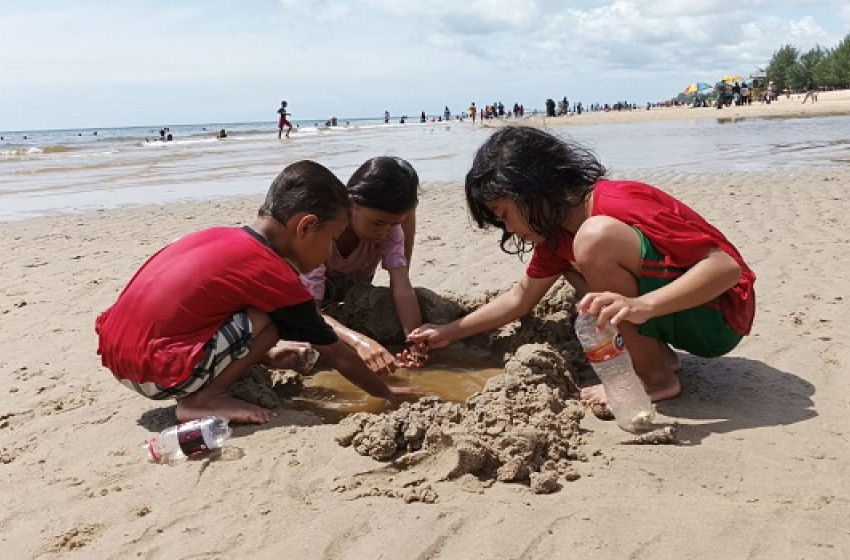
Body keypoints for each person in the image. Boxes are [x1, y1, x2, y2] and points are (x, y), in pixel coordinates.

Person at [408, 127, 756, 405]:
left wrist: (638, 306)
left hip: (720, 314)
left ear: (533, 189)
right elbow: (520, 299)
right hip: (681, 314)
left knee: (593, 241)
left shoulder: (615, 202)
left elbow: (726, 269)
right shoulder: (555, 235)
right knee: (578, 267)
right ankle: (660, 359)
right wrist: (447, 332)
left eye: (505, 215)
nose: (510, 229)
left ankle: (653, 380)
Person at [96, 161, 418, 424]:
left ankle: (224, 377)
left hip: (119, 356)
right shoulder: (273, 273)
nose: (330, 250)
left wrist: (264, 354)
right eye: (331, 239)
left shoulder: (225, 238)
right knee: (280, 315)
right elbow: (336, 352)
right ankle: (204, 400)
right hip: (155, 374)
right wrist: (388, 392)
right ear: (305, 227)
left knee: (261, 308)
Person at [302, 156, 427, 370]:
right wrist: (359, 342)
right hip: (307, 294)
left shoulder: (390, 232)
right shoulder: (323, 233)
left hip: (351, 288)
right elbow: (309, 313)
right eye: (377, 223)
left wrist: (415, 342)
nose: (384, 231)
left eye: (393, 224)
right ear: (351, 203)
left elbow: (402, 286)